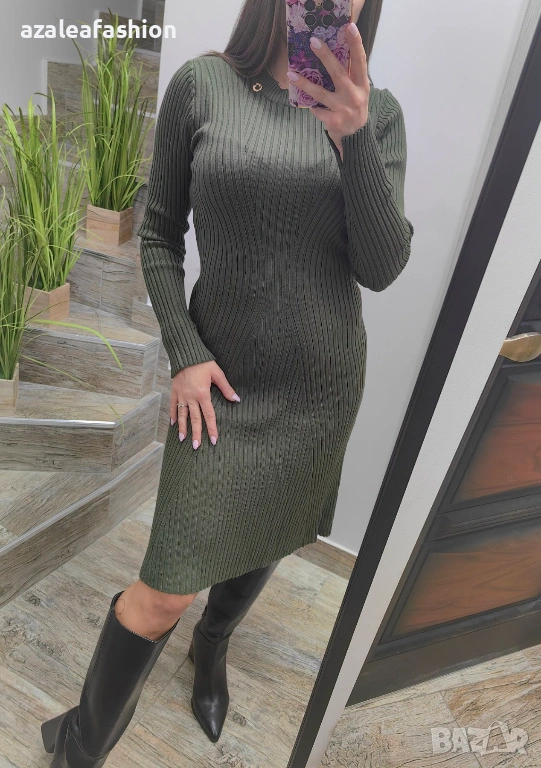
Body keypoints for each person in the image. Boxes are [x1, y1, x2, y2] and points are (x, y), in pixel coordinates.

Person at [41, 0, 414, 763]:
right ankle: (78, 749)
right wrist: (183, 353)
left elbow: (380, 268)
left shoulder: (376, 115)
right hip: (218, 390)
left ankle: (211, 647)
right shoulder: (202, 85)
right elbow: (156, 235)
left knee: (264, 536)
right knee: (163, 591)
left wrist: (351, 139)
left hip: (318, 392)